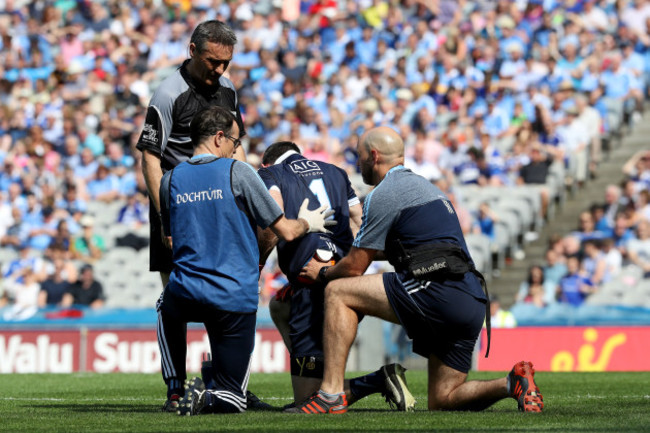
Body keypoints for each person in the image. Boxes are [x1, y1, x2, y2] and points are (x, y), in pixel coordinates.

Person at [294, 126, 543, 414]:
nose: (357, 162)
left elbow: (354, 269)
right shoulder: (428, 189)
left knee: (338, 291)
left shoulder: (384, 192)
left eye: (359, 156)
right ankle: (512, 382)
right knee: (443, 399)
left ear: (374, 156)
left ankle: (330, 394)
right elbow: (409, 250)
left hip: (437, 290)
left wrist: (322, 273)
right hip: (471, 298)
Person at [156, 106, 334, 416]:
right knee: (234, 399)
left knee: (165, 305)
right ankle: (207, 395)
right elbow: (286, 232)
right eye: (236, 142)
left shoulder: (169, 180)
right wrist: (307, 221)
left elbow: (169, 240)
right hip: (233, 296)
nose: (237, 149)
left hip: (186, 291)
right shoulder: (238, 172)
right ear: (219, 138)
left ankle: (175, 389)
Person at [257, 141, 414, 410]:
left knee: (307, 403)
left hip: (312, 274)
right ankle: (331, 377)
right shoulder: (336, 172)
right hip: (341, 273)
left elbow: (272, 221)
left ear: (266, 163)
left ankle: (376, 381)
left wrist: (257, 263)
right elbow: (358, 219)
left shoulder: (271, 174)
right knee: (280, 305)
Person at [136, 20, 246, 289]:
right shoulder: (168, 94)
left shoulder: (228, 89)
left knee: (220, 292)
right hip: (177, 204)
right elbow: (150, 157)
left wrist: (245, 197)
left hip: (216, 202)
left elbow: (236, 144)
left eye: (226, 63)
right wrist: (166, 218)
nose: (220, 69)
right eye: (213, 61)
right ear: (193, 50)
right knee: (175, 295)